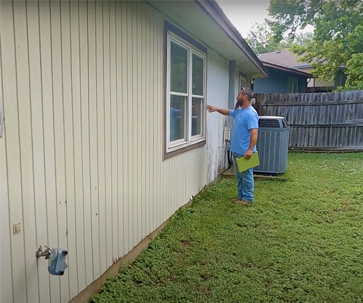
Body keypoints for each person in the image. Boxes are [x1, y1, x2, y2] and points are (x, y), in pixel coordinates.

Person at [207, 87, 259, 205]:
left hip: (245, 151)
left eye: (239, 95)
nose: (237, 97)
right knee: (239, 175)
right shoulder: (240, 111)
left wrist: (250, 150)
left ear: (244, 97)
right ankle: (241, 196)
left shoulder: (251, 113)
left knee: (246, 175)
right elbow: (228, 112)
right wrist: (216, 109)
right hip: (236, 150)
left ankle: (248, 198)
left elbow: (254, 133)